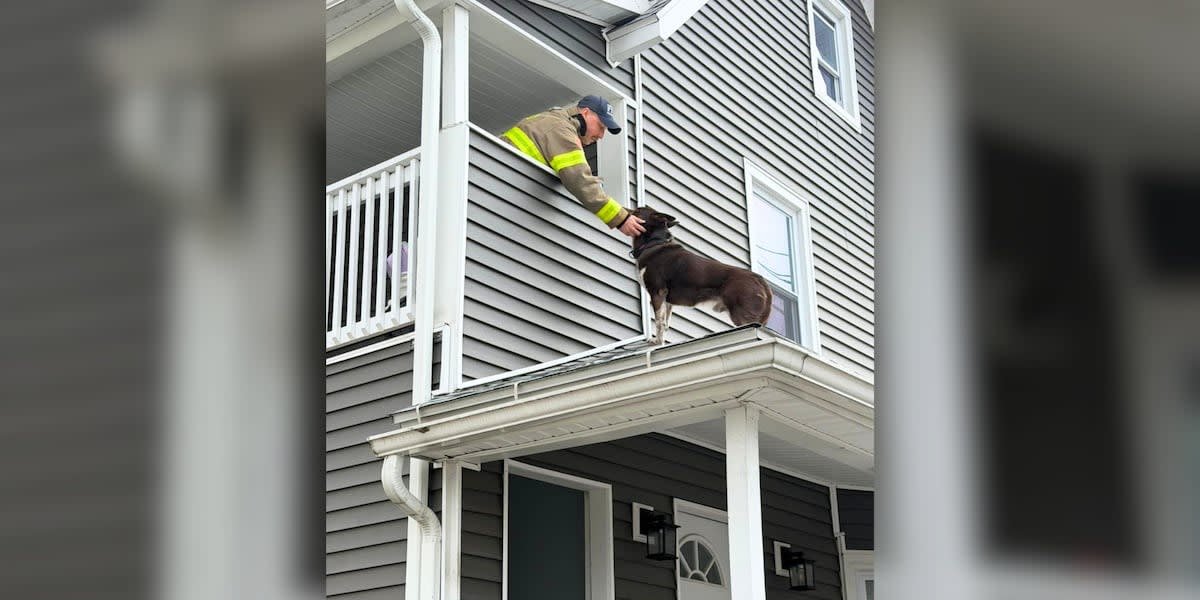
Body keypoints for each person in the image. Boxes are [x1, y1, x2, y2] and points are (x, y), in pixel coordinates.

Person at [501, 95, 646, 237]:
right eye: (601, 127)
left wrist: (624, 213)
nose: (601, 136)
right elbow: (579, 180)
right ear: (585, 112)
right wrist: (621, 219)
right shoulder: (561, 129)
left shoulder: (553, 121)